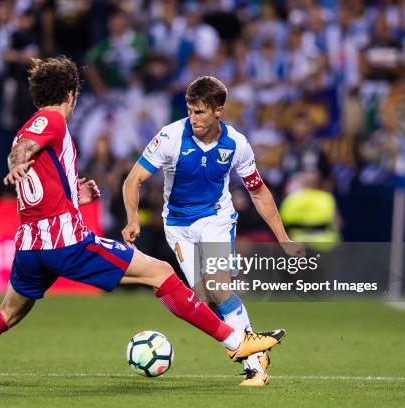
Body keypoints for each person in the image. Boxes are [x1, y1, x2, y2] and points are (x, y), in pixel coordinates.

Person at [0, 58, 284, 390]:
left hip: (30, 249)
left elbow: (37, 182)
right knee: (161, 272)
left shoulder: (28, 127)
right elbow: (22, 153)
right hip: (67, 244)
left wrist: (74, 196)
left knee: (5, 313)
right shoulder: (50, 119)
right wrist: (16, 162)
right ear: (71, 93)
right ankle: (237, 343)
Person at [122, 76, 303, 387]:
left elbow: (259, 193)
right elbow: (132, 180)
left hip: (215, 219)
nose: (193, 119)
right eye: (190, 111)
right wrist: (132, 219)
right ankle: (248, 346)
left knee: (219, 288)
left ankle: (255, 363)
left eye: (200, 112)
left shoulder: (237, 144)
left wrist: (283, 239)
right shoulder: (170, 138)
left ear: (219, 111)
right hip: (178, 226)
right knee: (202, 301)